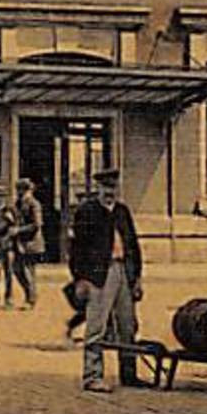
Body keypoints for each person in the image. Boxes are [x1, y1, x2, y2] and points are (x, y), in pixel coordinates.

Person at [69, 168, 144, 392]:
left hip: (124, 272)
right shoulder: (87, 211)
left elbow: (133, 245)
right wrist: (80, 279)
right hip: (98, 274)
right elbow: (76, 249)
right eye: (106, 188)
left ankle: (129, 374)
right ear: (98, 188)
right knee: (96, 326)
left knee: (128, 325)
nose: (110, 192)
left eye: (113, 188)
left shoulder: (122, 211)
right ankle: (92, 376)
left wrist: (137, 277)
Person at [13, 178, 44, 309]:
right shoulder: (18, 203)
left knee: (28, 271)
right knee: (18, 270)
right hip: (21, 242)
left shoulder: (34, 204)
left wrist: (18, 230)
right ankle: (29, 295)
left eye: (23, 190)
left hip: (31, 242)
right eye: (19, 189)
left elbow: (37, 224)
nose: (21, 192)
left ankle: (30, 299)